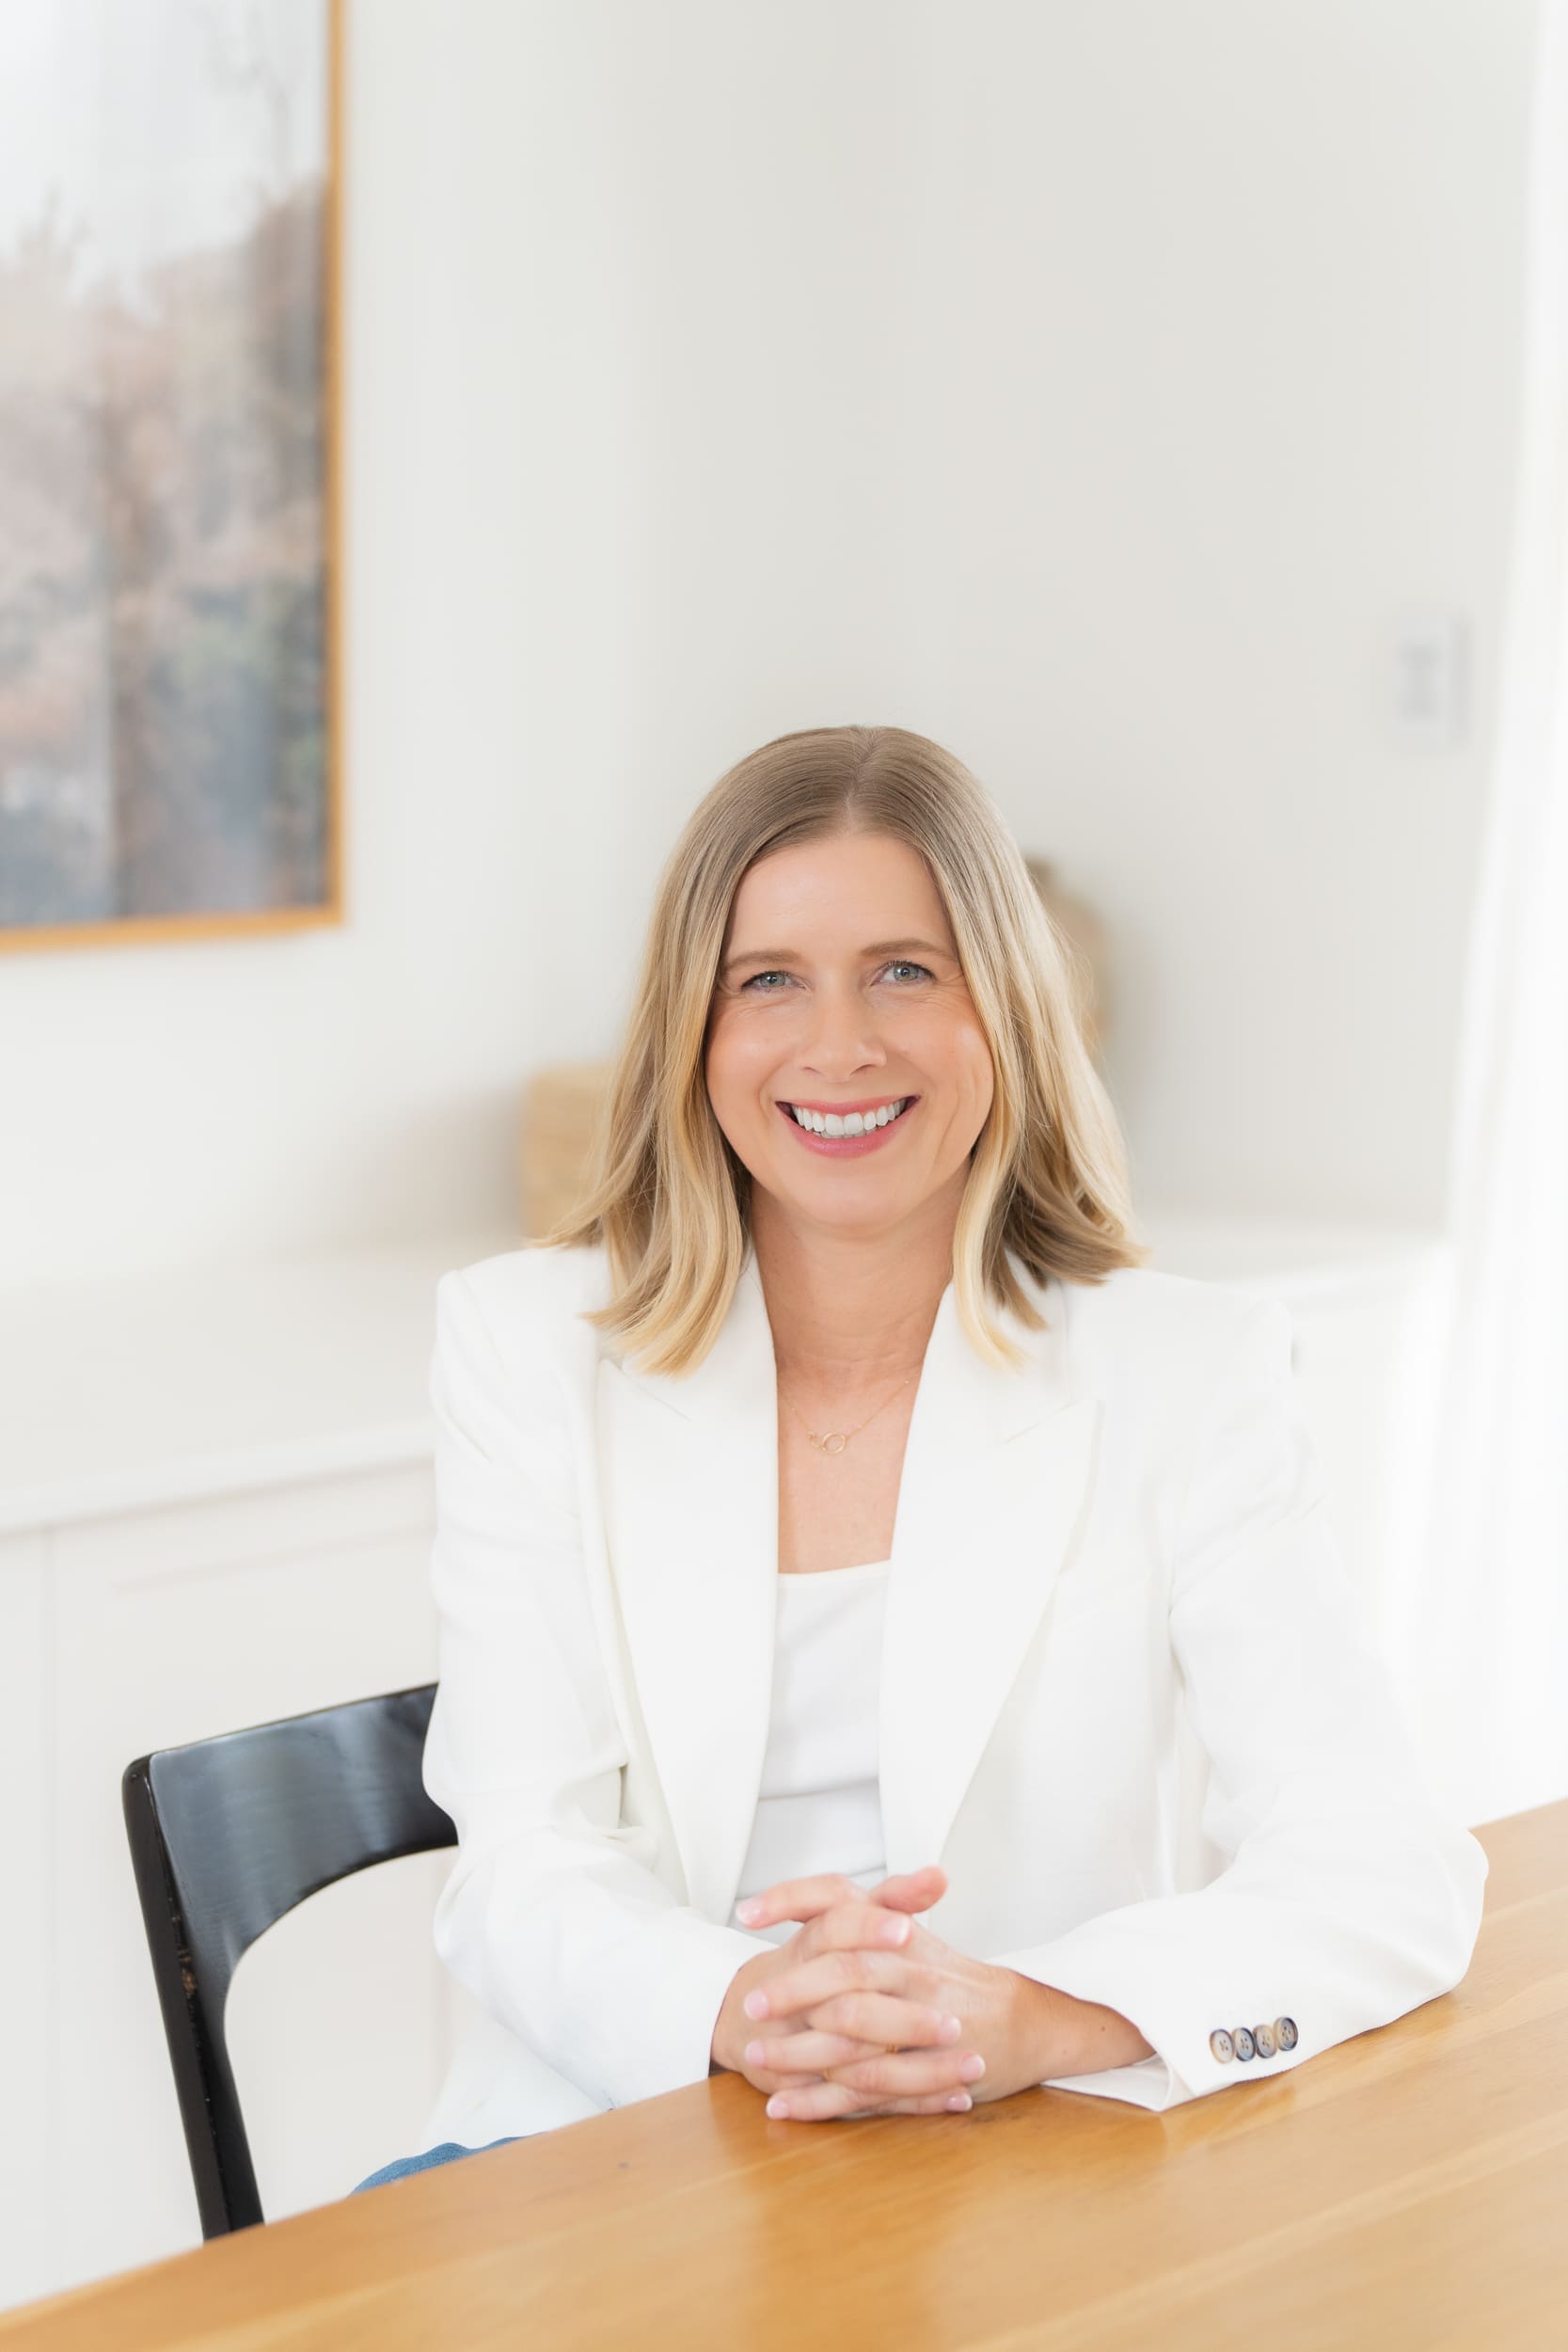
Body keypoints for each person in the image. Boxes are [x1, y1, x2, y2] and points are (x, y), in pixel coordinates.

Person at [352, 723, 1485, 2192]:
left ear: (1003, 1011)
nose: (840, 1047)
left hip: (1014, 2146)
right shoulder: (523, 1346)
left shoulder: (1190, 1373)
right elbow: (519, 1858)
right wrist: (749, 2010)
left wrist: (1024, 2015)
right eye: (770, 981)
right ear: (696, 1031)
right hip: (601, 2131)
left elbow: (1385, 1868)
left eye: (907, 970)